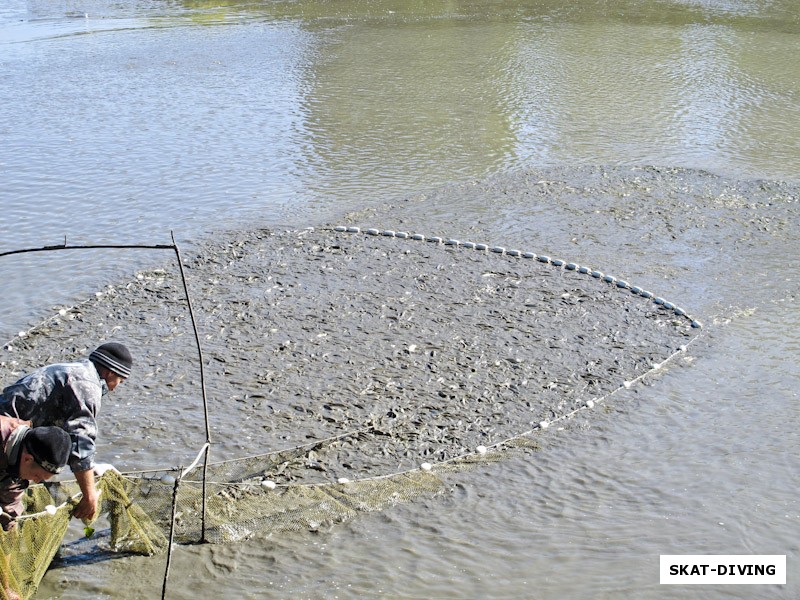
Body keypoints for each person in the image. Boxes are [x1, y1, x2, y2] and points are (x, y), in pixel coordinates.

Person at [0, 342, 132, 522]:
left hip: (20, 438)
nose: (115, 387)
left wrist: (91, 469)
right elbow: (81, 442)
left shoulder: (73, 370)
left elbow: (65, 440)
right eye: (120, 381)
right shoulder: (88, 385)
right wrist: (90, 495)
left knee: (29, 488)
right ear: (110, 373)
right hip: (11, 442)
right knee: (9, 511)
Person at [0, 417, 72, 531]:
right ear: (28, 459)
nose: (37, 481)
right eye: (37, 476)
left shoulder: (24, 457)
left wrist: (10, 530)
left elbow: (10, 505)